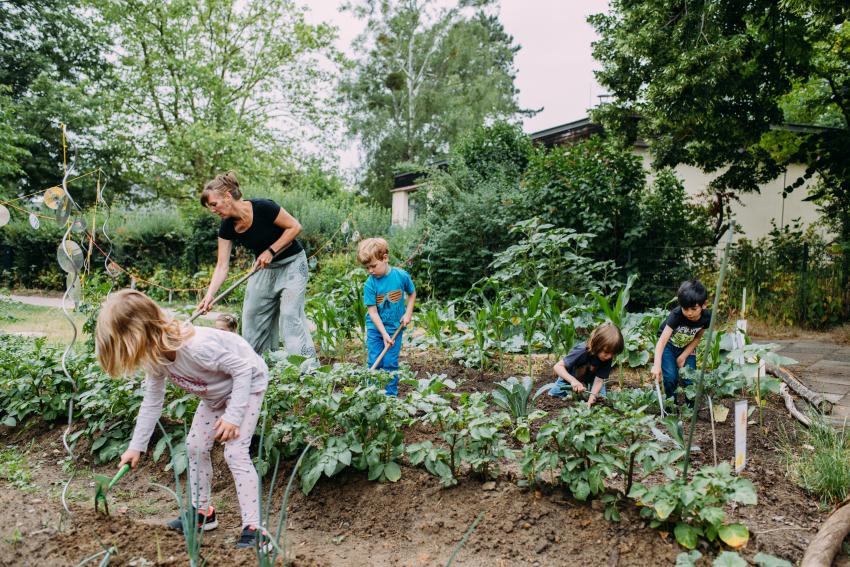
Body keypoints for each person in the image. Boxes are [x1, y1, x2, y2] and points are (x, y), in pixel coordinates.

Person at [97, 289, 269, 548]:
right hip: (215, 395)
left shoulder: (197, 347)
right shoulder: (155, 358)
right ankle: (203, 514)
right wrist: (136, 446)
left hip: (248, 384)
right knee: (195, 446)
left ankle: (255, 528)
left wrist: (233, 416)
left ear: (138, 333)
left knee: (235, 452)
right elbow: (152, 402)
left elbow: (244, 369)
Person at [197, 171, 317, 361]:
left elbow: (295, 227)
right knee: (251, 317)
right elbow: (222, 266)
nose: (213, 210)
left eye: (214, 204)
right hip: (264, 269)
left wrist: (271, 251)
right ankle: (257, 365)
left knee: (289, 315)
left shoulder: (263, 207)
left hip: (292, 265)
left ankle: (307, 370)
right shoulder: (226, 227)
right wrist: (209, 296)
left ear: (227, 196)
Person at [357, 238, 415, 396]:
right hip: (376, 329)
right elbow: (373, 313)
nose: (370, 270)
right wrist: (383, 334)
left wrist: (408, 313)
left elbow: (412, 292)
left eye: (373, 266)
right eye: (367, 267)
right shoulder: (370, 284)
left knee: (390, 362)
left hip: (395, 327)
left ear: (385, 258)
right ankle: (372, 394)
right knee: (375, 360)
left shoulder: (401, 276)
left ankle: (390, 397)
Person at [651, 279, 711, 401]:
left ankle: (690, 410)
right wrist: (656, 365)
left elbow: (698, 337)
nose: (689, 313)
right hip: (669, 346)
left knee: (690, 379)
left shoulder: (707, 317)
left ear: (704, 304)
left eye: (693, 309)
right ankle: (670, 407)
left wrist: (683, 356)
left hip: (687, 347)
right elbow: (661, 342)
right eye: (685, 308)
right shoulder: (677, 315)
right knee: (670, 378)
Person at [548, 322, 624, 407]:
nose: (609, 356)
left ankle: (586, 394)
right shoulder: (581, 351)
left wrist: (591, 400)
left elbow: (599, 380)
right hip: (570, 379)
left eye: (613, 353)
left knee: (601, 399)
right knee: (554, 395)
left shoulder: (607, 357)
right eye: (606, 352)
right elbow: (558, 367)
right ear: (597, 344)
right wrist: (573, 381)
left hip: (592, 380)